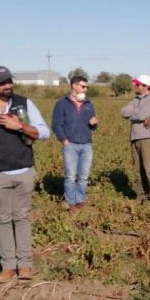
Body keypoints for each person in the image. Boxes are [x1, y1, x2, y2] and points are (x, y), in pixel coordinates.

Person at [0, 65, 50, 283]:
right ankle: (8, 266)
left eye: (10, 80)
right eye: (2, 82)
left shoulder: (24, 103)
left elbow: (45, 133)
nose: (8, 85)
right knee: (3, 219)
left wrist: (19, 126)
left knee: (22, 217)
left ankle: (25, 265)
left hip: (24, 170)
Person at [51, 75, 98, 211]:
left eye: (87, 87)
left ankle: (80, 200)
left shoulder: (89, 104)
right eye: (83, 86)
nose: (86, 90)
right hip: (70, 144)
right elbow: (56, 124)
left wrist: (94, 124)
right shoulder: (62, 103)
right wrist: (64, 140)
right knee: (71, 176)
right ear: (74, 86)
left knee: (84, 176)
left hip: (86, 144)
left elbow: (93, 125)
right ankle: (70, 202)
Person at [120, 74, 150, 202]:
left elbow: (140, 115)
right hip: (135, 138)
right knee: (138, 170)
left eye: (138, 84)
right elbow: (123, 112)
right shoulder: (136, 99)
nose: (135, 86)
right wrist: (136, 113)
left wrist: (134, 113)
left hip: (148, 138)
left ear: (146, 86)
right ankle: (141, 195)